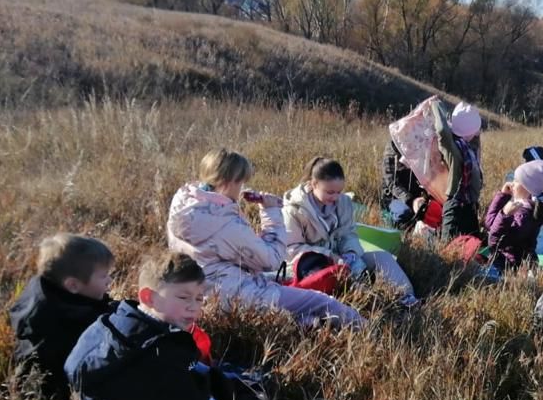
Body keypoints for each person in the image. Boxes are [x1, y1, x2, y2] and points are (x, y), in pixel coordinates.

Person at [64, 253, 264, 400]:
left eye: (199, 298)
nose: (194, 307)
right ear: (149, 297)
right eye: (183, 297)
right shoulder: (157, 353)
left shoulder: (111, 322)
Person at [167, 148, 363, 328]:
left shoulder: (185, 204)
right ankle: (367, 327)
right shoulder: (224, 222)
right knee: (321, 301)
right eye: (241, 182)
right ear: (228, 182)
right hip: (232, 294)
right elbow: (272, 259)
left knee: (300, 311)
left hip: (202, 292)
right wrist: (270, 212)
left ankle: (308, 325)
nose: (242, 187)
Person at [8, 233, 116, 400]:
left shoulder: (48, 291)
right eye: (103, 276)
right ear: (73, 285)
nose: (109, 280)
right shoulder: (72, 323)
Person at [283, 157, 415, 301]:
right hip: (311, 266)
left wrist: (350, 252)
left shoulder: (343, 202)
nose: (335, 197)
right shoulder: (293, 210)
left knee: (383, 258)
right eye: (329, 192)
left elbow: (349, 233)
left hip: (342, 259)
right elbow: (292, 249)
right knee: (342, 280)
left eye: (339, 192)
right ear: (314, 184)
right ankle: (369, 301)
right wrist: (330, 256)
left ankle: (407, 298)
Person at [485, 159, 543, 270]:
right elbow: (490, 223)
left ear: (527, 187)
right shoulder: (521, 206)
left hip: (509, 267)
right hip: (508, 263)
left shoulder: (523, 215)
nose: (512, 183)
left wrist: (504, 215)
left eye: (516, 180)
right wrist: (502, 196)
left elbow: (495, 242)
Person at [432, 100, 483, 239]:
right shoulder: (452, 147)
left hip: (469, 205)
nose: (477, 133)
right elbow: (442, 130)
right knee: (447, 247)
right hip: (455, 204)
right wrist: (436, 105)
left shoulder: (469, 146)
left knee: (475, 246)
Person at [380, 138, 429, 231]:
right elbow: (391, 183)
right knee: (405, 213)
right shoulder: (392, 149)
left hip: (416, 195)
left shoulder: (420, 143)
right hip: (394, 197)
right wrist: (411, 201)